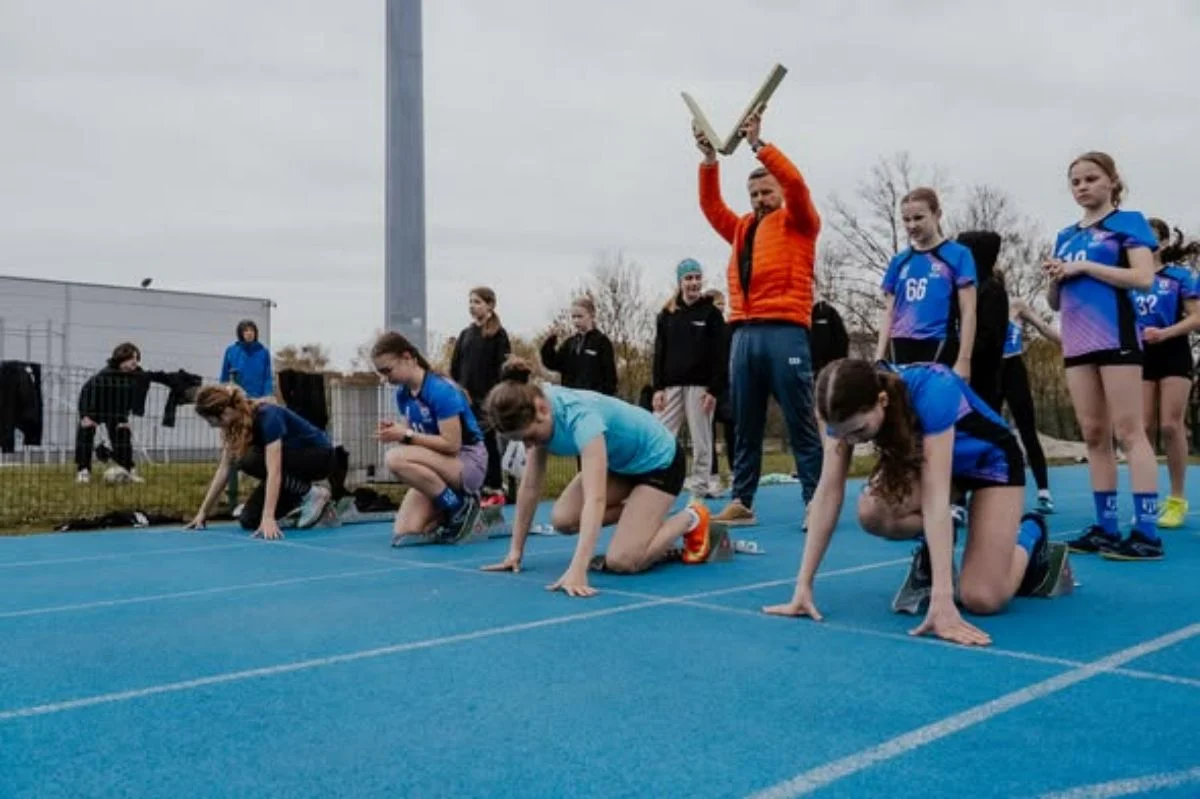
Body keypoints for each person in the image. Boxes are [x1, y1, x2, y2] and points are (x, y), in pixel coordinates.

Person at [763, 359, 1069, 647]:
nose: (854, 442)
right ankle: (935, 551)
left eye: (860, 431)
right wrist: (803, 586)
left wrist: (943, 600)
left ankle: (1031, 533)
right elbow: (827, 493)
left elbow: (936, 500)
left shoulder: (933, 390)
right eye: (844, 435)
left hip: (991, 465)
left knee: (982, 599)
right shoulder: (840, 414)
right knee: (873, 511)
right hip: (941, 471)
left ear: (882, 401)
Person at [479, 358, 719, 598]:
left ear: (542, 410)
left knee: (623, 561)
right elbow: (530, 487)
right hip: (622, 466)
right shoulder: (535, 412)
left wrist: (578, 569)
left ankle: (693, 517)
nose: (529, 445)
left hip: (661, 463)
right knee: (562, 519)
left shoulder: (581, 419)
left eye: (530, 437)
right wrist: (515, 552)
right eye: (521, 440)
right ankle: (642, 515)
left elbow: (595, 499)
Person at [694, 107, 823, 527]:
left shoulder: (800, 221)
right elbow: (712, 207)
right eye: (754, 196)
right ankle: (742, 500)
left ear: (779, 192)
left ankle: (815, 500)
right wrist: (710, 161)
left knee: (800, 419)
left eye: (766, 193)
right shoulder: (742, 228)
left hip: (785, 331)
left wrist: (757, 145)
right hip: (744, 333)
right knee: (744, 424)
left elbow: (797, 183)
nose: (760, 200)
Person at [1046, 151, 1161, 560]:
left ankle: (1146, 531)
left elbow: (1144, 279)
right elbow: (1056, 302)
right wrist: (1056, 279)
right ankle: (1105, 527)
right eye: (1075, 181)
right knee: (1093, 435)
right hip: (1077, 341)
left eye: (1091, 178)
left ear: (1112, 181)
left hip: (1116, 335)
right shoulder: (1065, 236)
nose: (1082, 187)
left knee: (1129, 431)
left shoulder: (1128, 223)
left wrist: (1086, 268)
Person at [372, 331, 488, 545]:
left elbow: (452, 445)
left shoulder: (440, 390)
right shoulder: (403, 394)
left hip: (466, 463)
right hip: (438, 465)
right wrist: (398, 432)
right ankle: (452, 506)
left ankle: (458, 506)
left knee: (394, 459)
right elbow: (413, 440)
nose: (386, 378)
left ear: (407, 357)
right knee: (406, 531)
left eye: (387, 371)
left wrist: (405, 435)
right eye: (381, 373)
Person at [187, 384, 334, 539]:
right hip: (291, 469)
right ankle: (296, 502)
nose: (211, 425)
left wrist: (269, 516)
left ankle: (313, 494)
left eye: (210, 420)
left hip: (320, 457)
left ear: (225, 412)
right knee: (249, 520)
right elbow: (223, 469)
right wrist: (202, 513)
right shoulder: (233, 427)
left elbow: (274, 470)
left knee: (247, 459)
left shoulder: (268, 416)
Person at [1133, 219, 1200, 528]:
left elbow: (1197, 318)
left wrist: (1166, 332)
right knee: (1142, 426)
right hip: (1141, 355)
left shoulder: (1179, 277)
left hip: (1172, 350)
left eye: (1149, 239)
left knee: (1170, 425)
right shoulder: (1130, 280)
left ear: (1160, 243)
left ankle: (1176, 499)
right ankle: (1146, 498)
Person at [875, 188, 978, 375]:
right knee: (902, 402)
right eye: (906, 220)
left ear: (937, 215)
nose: (912, 225)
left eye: (918, 218)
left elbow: (968, 310)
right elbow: (889, 311)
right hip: (900, 344)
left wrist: (964, 360)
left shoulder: (958, 255)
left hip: (938, 342)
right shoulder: (899, 261)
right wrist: (878, 358)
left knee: (931, 402)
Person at [652, 258, 726, 498]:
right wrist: (658, 388)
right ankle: (654, 481)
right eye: (688, 278)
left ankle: (700, 490)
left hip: (700, 387)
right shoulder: (666, 315)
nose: (694, 283)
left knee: (701, 439)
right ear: (680, 282)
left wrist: (714, 389)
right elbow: (659, 353)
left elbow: (720, 355)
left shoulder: (712, 314)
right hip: (671, 386)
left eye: (697, 277)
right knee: (659, 434)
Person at [450, 286, 512, 505]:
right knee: (468, 443)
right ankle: (471, 486)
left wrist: (494, 396)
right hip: (465, 400)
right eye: (470, 302)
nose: (472, 306)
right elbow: (455, 367)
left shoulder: (498, 335)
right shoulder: (466, 335)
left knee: (487, 443)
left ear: (490, 305)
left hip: (487, 400)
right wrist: (459, 389)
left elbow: (502, 369)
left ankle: (494, 486)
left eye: (477, 302)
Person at [1003, 295, 1056, 514]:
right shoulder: (973, 302)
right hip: (987, 370)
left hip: (1013, 367)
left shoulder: (1015, 305)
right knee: (983, 433)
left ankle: (1044, 491)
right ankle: (970, 496)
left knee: (1028, 431)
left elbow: (1043, 327)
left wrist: (1071, 342)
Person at [74, 342, 145, 484]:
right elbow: (88, 396)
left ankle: (128, 469)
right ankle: (83, 471)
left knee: (122, 432)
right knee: (86, 430)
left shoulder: (135, 376)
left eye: (136, 360)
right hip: (95, 407)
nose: (135, 363)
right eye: (132, 359)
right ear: (122, 359)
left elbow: (131, 399)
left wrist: (124, 419)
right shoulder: (103, 376)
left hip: (117, 410)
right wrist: (87, 416)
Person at [956, 230, 1008, 413]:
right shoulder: (963, 288)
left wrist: (959, 350)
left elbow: (989, 338)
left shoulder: (991, 290)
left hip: (982, 376)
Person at [539, 295, 618, 396]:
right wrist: (550, 343)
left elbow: (610, 377)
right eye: (573, 317)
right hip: (571, 398)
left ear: (591, 315)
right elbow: (553, 364)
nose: (576, 320)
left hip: (593, 399)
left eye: (580, 316)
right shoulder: (570, 343)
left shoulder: (602, 342)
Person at [219, 320, 274, 399]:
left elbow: (267, 377)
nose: (249, 333)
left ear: (255, 333)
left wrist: (267, 396)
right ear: (240, 333)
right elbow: (224, 377)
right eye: (246, 330)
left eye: (252, 330)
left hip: (258, 398)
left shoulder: (263, 352)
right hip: (237, 398)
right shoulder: (231, 351)